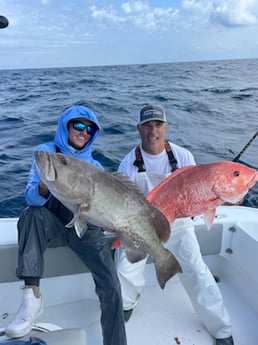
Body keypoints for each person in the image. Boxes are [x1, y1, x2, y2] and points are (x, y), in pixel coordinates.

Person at [6, 104, 127, 345]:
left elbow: (101, 210)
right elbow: (31, 198)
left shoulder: (96, 166)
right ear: (66, 126)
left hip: (85, 227)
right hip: (53, 222)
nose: (84, 132)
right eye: (79, 125)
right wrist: (44, 186)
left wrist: (111, 222)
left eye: (90, 129)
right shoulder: (46, 154)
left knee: (112, 287)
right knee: (31, 214)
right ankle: (32, 298)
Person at [114, 104, 234, 345]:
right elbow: (122, 203)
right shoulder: (128, 163)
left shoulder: (183, 156)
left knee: (197, 270)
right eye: (147, 125)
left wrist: (219, 198)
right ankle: (127, 304)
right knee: (124, 267)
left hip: (179, 223)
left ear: (166, 127)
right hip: (142, 224)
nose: (153, 130)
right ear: (138, 129)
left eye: (158, 125)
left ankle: (221, 329)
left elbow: (198, 193)